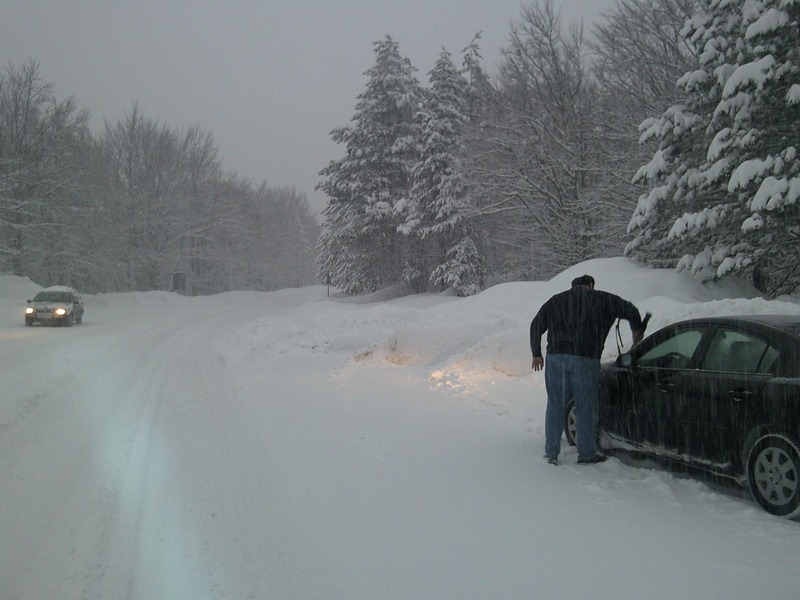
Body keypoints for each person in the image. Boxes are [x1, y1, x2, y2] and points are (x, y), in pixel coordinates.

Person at [530, 274, 644, 465]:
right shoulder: (602, 299)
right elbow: (631, 310)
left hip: (556, 357)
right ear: (590, 285)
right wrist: (636, 331)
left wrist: (536, 353)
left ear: (573, 287)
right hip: (586, 357)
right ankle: (586, 454)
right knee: (585, 406)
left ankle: (551, 453)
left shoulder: (557, 300)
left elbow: (536, 325)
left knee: (555, 405)